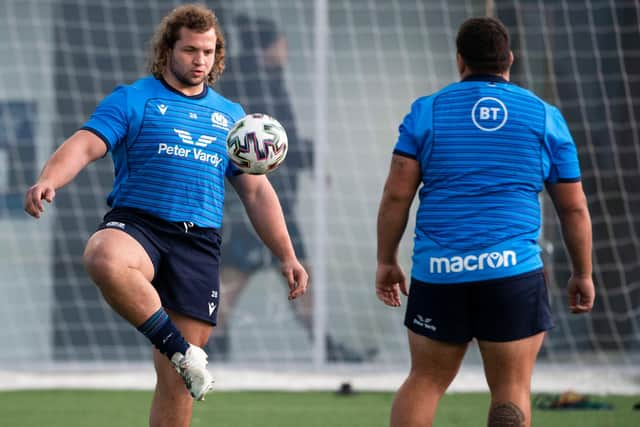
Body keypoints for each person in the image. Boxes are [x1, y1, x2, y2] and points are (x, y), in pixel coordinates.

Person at [23, 4, 308, 427]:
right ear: (167, 50)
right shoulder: (133, 98)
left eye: (208, 52)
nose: (200, 61)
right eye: (191, 50)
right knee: (103, 256)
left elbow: (256, 192)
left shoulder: (231, 117)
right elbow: (85, 144)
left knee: (177, 385)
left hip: (199, 242)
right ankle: (180, 349)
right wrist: (50, 178)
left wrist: (288, 255)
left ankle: (180, 356)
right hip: (140, 225)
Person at [375, 16, 594, 427]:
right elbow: (574, 208)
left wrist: (386, 261)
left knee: (425, 380)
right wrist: (583, 273)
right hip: (512, 274)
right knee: (512, 389)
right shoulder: (545, 116)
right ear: (509, 59)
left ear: (461, 61)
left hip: (440, 272)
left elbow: (396, 195)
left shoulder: (426, 113)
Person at [210, 14, 377, 363]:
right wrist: (309, 156)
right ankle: (214, 348)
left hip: (273, 201)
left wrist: (308, 159)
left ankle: (323, 348)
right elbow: (267, 143)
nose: (286, 50)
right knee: (271, 274)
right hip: (259, 202)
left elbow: (277, 142)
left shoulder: (262, 78)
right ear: (268, 47)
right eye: (281, 43)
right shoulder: (256, 82)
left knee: (279, 275)